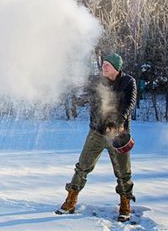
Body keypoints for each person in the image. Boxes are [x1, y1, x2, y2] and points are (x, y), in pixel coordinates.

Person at [56, 53, 137, 222]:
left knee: (123, 172)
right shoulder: (96, 81)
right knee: (82, 167)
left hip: (118, 135)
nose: (104, 67)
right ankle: (71, 199)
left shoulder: (128, 81)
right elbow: (82, 91)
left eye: (107, 64)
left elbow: (129, 102)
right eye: (103, 64)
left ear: (116, 67)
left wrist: (119, 121)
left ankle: (125, 204)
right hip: (97, 133)